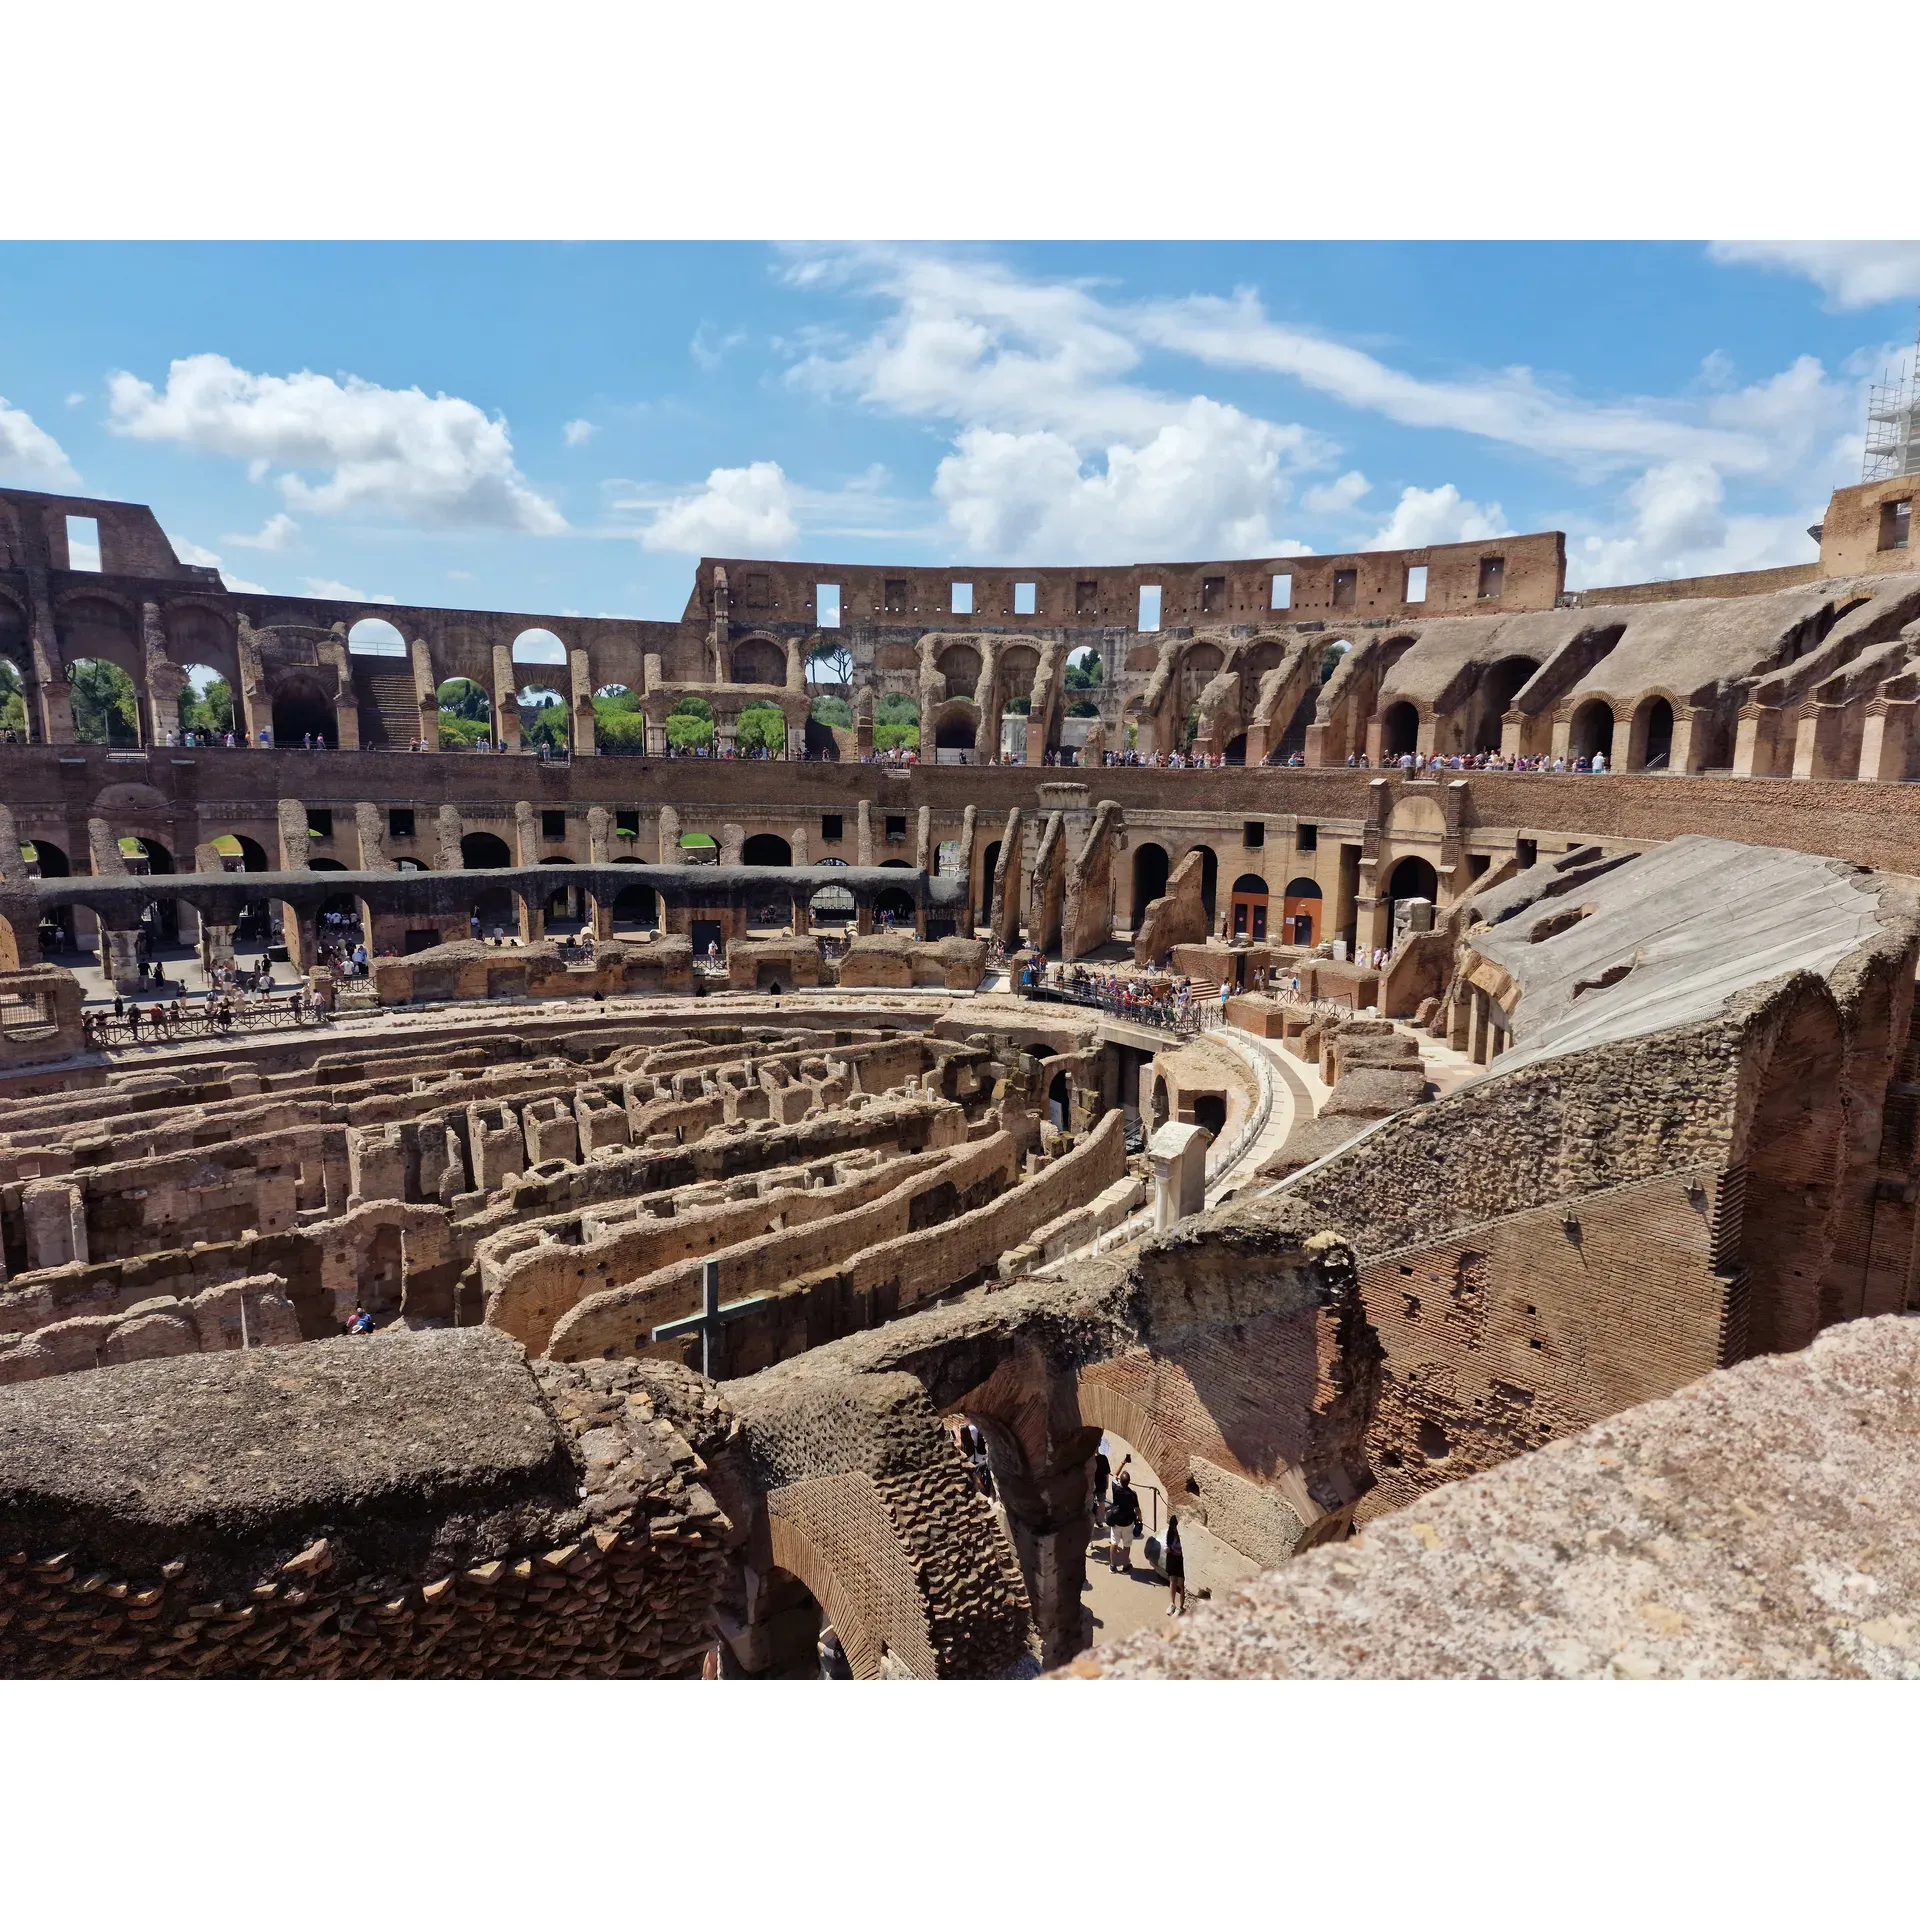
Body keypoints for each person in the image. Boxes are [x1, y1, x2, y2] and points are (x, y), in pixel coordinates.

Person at [1106, 1468, 1141, 1573]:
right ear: (1129, 1482)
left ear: (1120, 1481)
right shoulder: (1132, 1494)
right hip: (1128, 1523)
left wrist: (1123, 1462)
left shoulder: (1115, 1489)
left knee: (1114, 1543)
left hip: (1116, 1521)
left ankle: (1112, 1566)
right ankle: (1125, 1566)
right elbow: (1137, 1509)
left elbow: (1115, 1474)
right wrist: (1140, 1519)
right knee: (1127, 1545)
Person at [1164, 1514, 1187, 1615]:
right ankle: (1172, 1604)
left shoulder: (1184, 1534)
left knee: (1181, 1584)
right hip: (1172, 1558)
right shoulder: (1170, 1533)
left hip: (1181, 1560)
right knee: (1173, 1582)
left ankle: (1181, 1607)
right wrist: (1167, 1549)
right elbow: (1166, 1544)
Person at [1091, 1444, 1111, 1525]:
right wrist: (1107, 1483)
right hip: (1101, 1485)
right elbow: (1107, 1473)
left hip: (1091, 1486)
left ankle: (1091, 1520)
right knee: (1102, 1503)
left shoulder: (1089, 1459)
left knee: (1090, 1503)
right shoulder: (1103, 1458)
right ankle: (1100, 1521)